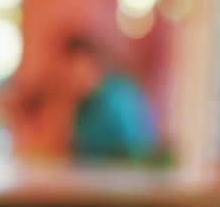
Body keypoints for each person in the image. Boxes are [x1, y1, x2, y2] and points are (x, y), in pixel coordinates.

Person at [15, 33, 158, 161]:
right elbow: (55, 151)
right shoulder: (76, 101)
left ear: (93, 63)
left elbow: (134, 150)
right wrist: (65, 102)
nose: (73, 76)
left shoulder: (116, 96)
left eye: (78, 66)